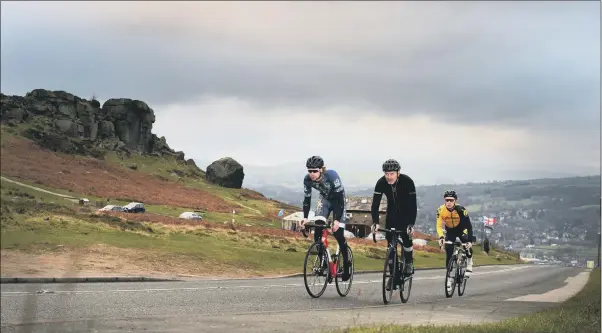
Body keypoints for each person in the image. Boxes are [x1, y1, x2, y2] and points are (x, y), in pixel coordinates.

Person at [299, 155, 351, 281]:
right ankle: (324, 262)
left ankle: (347, 264)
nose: (312, 174)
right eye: (309, 171)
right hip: (325, 200)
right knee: (318, 227)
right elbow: (307, 199)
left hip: (338, 201)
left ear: (321, 169)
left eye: (315, 171)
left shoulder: (332, 176)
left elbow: (340, 200)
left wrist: (337, 220)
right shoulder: (307, 180)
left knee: (338, 233)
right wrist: (305, 218)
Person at [370, 159, 417, 288]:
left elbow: (413, 206)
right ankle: (393, 276)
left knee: (406, 238)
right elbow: (375, 205)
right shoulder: (381, 183)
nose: (389, 177)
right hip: (392, 214)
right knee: (390, 245)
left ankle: (408, 262)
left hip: (406, 213)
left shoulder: (408, 182)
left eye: (391, 174)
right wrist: (375, 222)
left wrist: (411, 224)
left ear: (398, 173)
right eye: (386, 174)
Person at [436, 190, 474, 293]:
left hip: (462, 229)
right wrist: (441, 237)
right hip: (450, 231)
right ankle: (449, 278)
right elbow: (439, 226)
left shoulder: (461, 210)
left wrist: (469, 240)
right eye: (446, 200)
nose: (448, 202)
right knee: (449, 252)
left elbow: (468, 226)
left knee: (466, 245)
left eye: (451, 200)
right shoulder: (441, 210)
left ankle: (470, 261)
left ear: (455, 201)